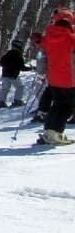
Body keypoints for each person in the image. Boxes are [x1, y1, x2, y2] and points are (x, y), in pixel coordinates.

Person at [37, 8, 75, 145]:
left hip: (53, 78)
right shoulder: (71, 38)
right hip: (69, 78)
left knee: (58, 104)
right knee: (67, 106)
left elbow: (41, 46)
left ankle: (49, 132)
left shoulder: (48, 38)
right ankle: (54, 133)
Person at [0, 39, 31, 108]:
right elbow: (22, 67)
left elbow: (1, 63)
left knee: (5, 88)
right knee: (20, 87)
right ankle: (17, 101)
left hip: (5, 74)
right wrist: (30, 68)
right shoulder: (18, 55)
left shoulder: (8, 53)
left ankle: (1, 102)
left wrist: (8, 66)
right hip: (13, 75)